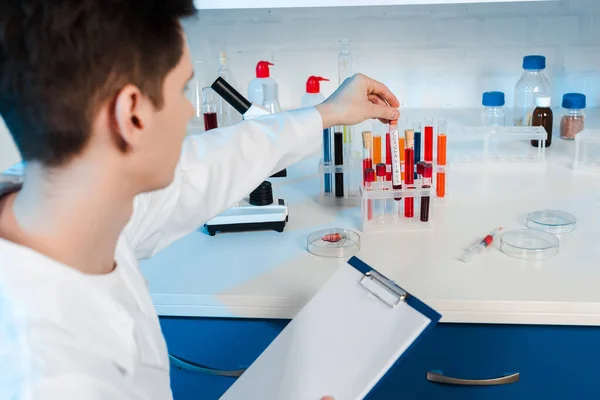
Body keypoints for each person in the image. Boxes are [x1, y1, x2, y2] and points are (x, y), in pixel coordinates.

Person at [0, 1, 400, 399]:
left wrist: (327, 112)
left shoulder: (66, 205)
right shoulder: (46, 376)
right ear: (133, 115)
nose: (191, 109)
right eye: (181, 89)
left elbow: (204, 168)